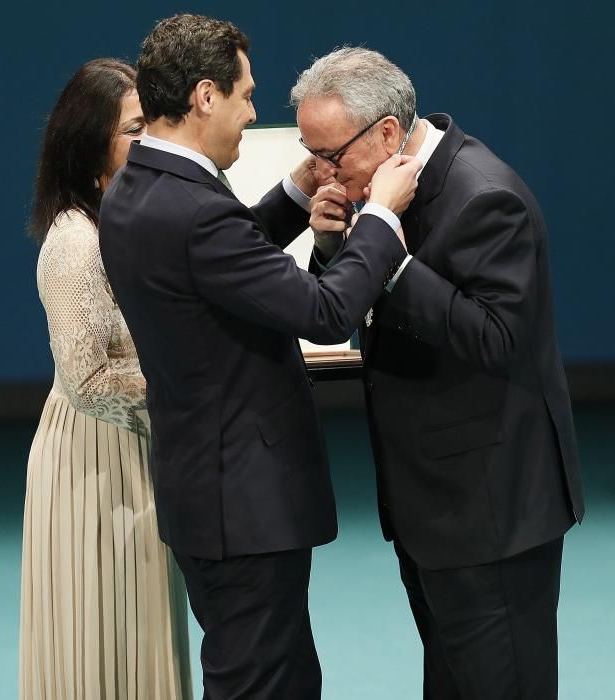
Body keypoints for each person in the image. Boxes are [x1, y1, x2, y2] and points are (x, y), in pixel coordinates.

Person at [98, 15, 420, 700]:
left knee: (269, 677)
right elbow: (326, 312)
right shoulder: (190, 209)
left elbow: (219, 261)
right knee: (263, 685)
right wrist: (384, 217)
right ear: (205, 96)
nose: (251, 112)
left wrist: (296, 193)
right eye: (245, 95)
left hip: (206, 493)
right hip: (242, 505)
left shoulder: (138, 187)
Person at [292, 46, 585, 699]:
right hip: (430, 512)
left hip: (490, 516)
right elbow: (335, 312)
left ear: (388, 133)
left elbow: (497, 336)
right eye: (312, 156)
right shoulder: (376, 194)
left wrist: (390, 263)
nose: (320, 173)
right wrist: (335, 245)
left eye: (330, 156)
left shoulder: (485, 197)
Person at [20, 58, 193, 700]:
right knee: (104, 636)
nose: (149, 140)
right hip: (96, 466)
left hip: (137, 454)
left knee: (139, 630)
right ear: (92, 139)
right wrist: (190, 386)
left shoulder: (125, 221)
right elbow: (91, 378)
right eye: (134, 128)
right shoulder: (75, 244)